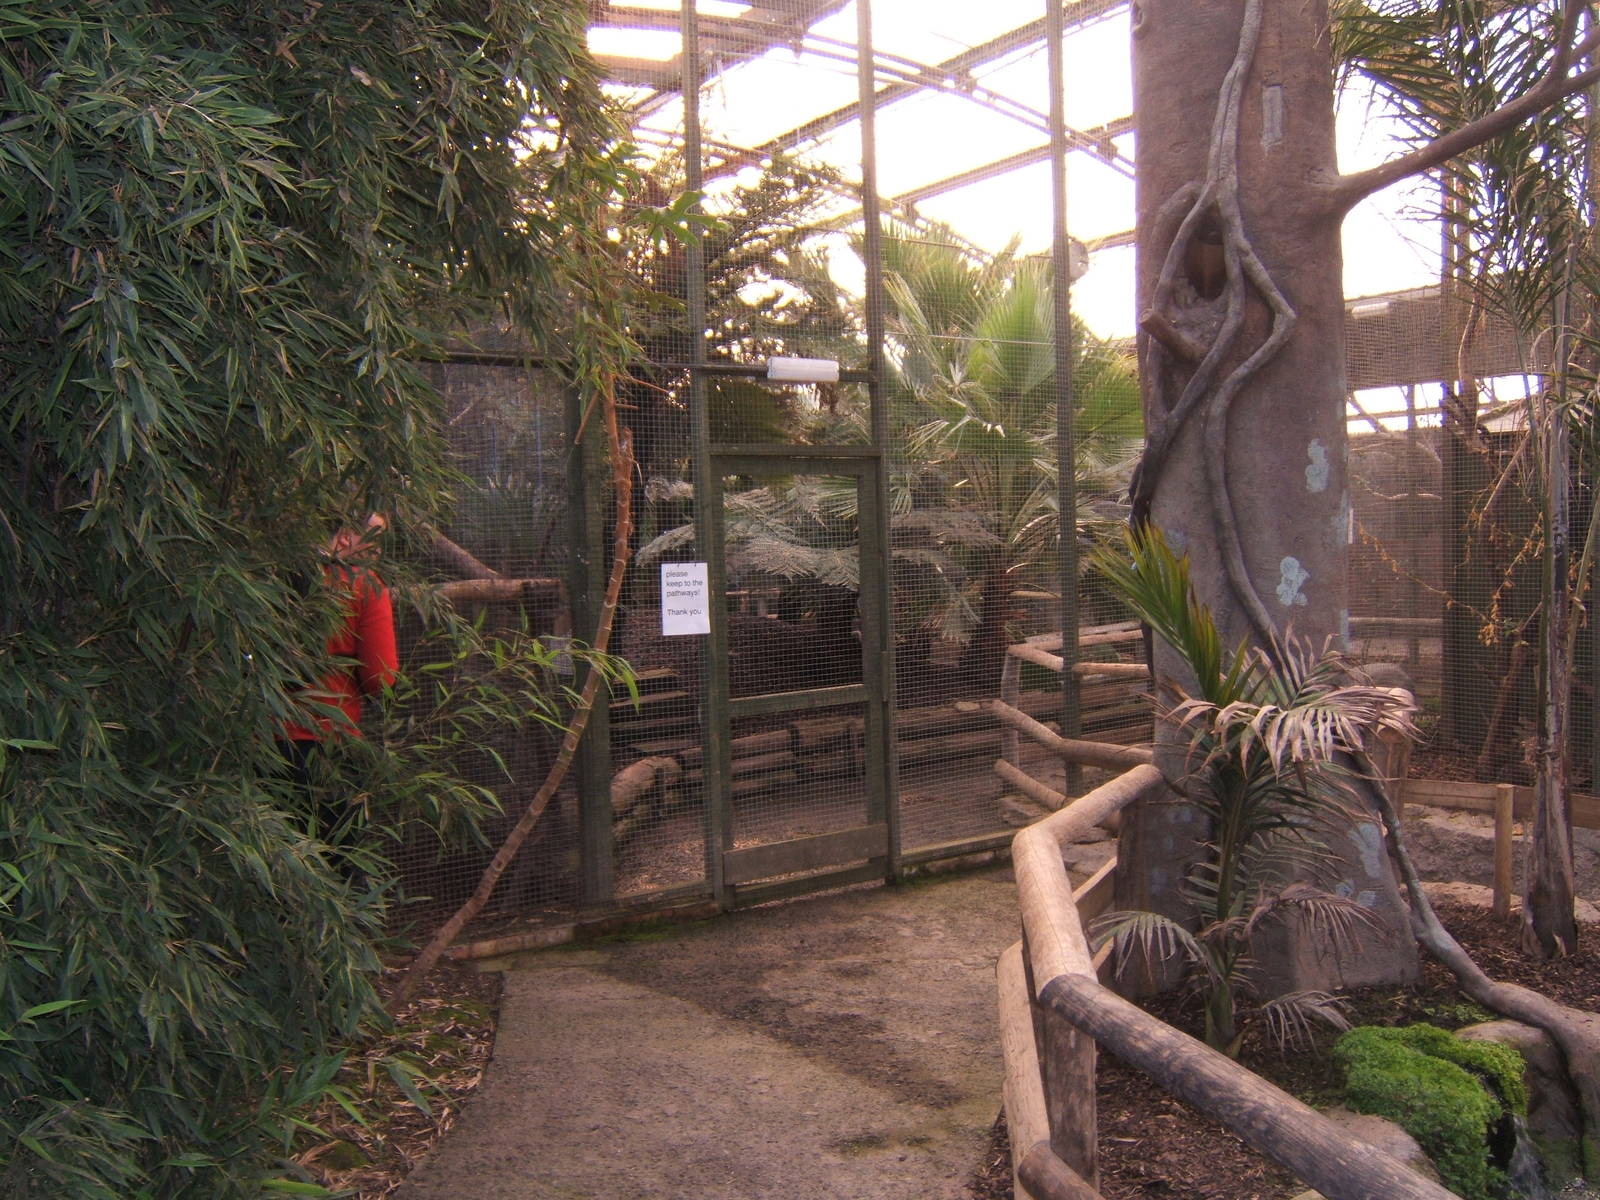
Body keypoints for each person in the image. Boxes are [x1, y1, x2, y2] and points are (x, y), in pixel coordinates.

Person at [281, 512, 399, 842]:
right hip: (328, 741)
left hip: (264, 738)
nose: (378, 552)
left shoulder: (277, 575)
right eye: (374, 541)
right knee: (336, 855)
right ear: (345, 536)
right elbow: (381, 677)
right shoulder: (363, 585)